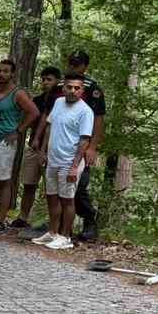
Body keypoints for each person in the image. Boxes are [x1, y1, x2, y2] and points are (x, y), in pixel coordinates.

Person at [33, 73, 94, 251]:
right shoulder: (58, 103)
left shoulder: (85, 111)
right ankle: (52, 232)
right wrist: (43, 152)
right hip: (53, 158)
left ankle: (65, 236)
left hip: (70, 161)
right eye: (69, 87)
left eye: (77, 88)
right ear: (63, 88)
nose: (73, 91)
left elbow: (84, 140)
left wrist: (75, 166)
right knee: (52, 196)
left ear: (82, 90)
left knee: (67, 199)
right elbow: (50, 127)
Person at [0, 58, 39, 229]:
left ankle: (0, 220)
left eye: (5, 71)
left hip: (4, 141)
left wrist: (18, 131)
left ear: (12, 74)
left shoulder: (17, 93)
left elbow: (33, 112)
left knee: (3, 181)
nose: (1, 74)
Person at [64, 50, 107, 243]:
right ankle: (59, 225)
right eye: (72, 63)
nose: (74, 67)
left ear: (85, 66)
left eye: (78, 64)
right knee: (59, 185)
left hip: (83, 144)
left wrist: (93, 147)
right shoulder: (61, 85)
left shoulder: (92, 88)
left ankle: (90, 222)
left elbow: (98, 119)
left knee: (79, 185)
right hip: (62, 142)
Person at [15, 66, 60, 236]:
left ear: (57, 81)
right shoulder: (38, 100)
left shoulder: (61, 101)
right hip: (34, 146)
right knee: (29, 183)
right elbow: (31, 118)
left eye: (49, 79)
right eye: (43, 79)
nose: (45, 82)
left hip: (52, 149)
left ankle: (51, 223)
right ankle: (23, 216)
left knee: (51, 188)